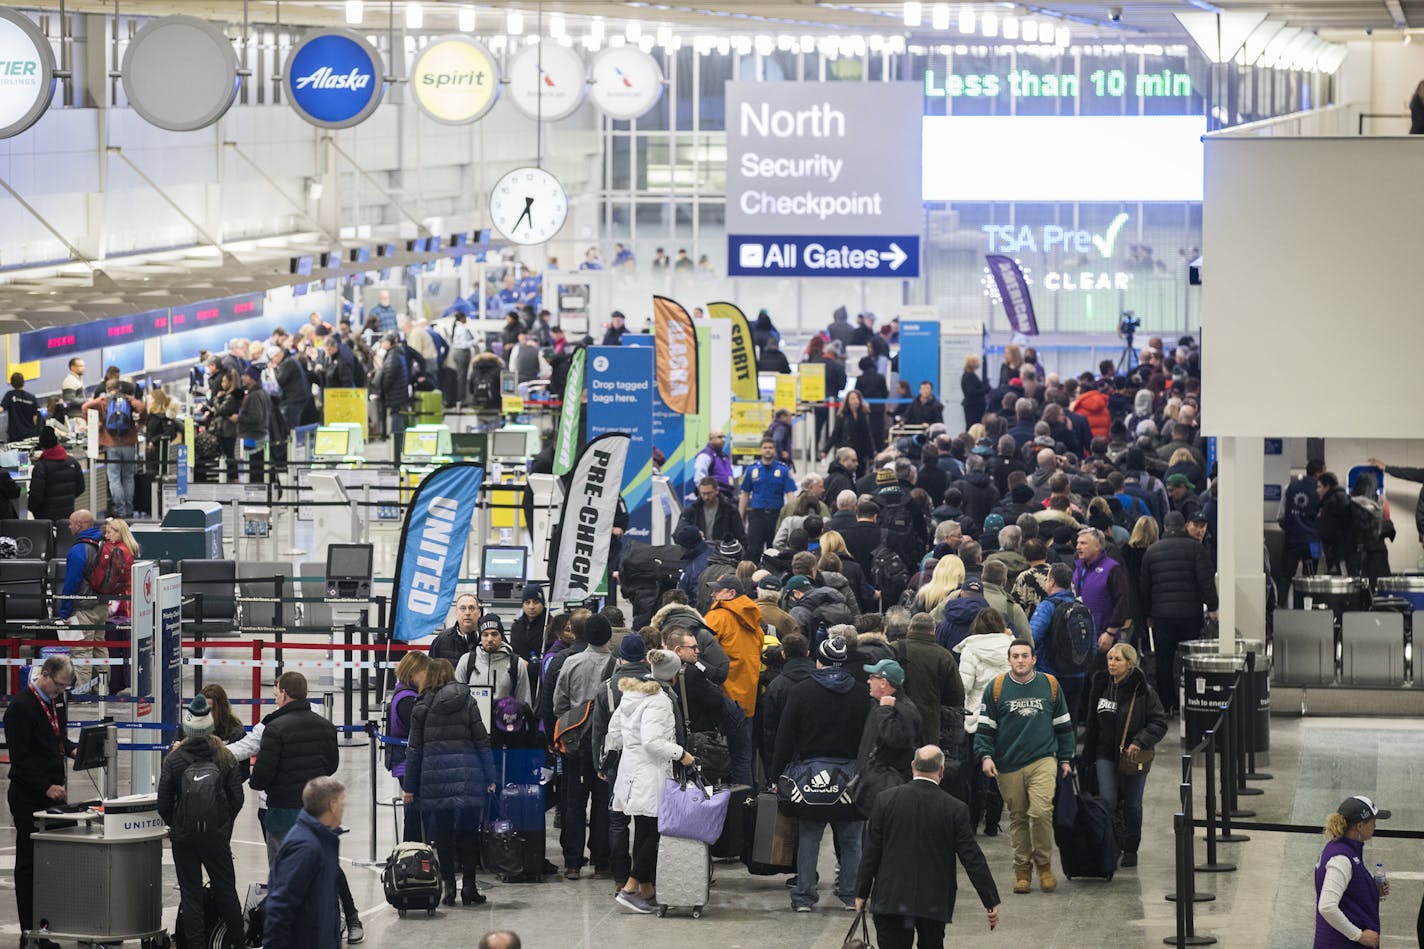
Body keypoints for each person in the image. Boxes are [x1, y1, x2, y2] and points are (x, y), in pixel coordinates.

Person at [856, 746, 1001, 948]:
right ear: (942, 771)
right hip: (934, 900)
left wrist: (861, 892)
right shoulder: (955, 809)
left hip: (892, 897)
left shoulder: (885, 800)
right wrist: (990, 899)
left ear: (913, 766)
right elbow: (972, 858)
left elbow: (871, 852)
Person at [771, 637, 873, 912]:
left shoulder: (802, 691)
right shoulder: (863, 694)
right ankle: (851, 895)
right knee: (852, 840)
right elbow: (871, 738)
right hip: (851, 779)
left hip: (810, 777)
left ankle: (804, 895)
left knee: (808, 838)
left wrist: (775, 775)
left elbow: (784, 736)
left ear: (819, 661)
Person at [974, 639, 1074, 895]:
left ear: (1033, 659)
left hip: (1043, 759)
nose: (1020, 660)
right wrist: (985, 756)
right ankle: (1022, 870)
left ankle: (1044, 866)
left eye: (1024, 656)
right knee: (1018, 817)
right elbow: (985, 728)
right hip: (1008, 763)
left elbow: (1063, 725)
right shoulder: (996, 688)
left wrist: (1065, 758)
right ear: (1009, 660)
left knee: (1041, 812)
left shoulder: (1049, 685)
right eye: (1015, 656)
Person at [606, 649, 696, 914]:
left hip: (631, 772)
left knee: (644, 829)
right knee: (655, 832)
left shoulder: (632, 694)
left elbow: (614, 732)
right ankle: (630, 888)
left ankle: (647, 889)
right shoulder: (659, 700)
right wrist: (682, 754)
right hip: (650, 773)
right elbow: (653, 742)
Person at [402, 657, 496, 906]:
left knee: (442, 835)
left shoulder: (421, 706)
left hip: (435, 779)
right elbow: (481, 741)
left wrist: (409, 786)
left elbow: (414, 751)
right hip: (468, 776)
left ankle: (449, 889)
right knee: (468, 833)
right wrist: (490, 777)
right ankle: (470, 887)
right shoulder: (468, 700)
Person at [158, 695, 246, 949]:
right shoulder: (225, 757)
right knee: (226, 890)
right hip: (216, 837)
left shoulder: (174, 760)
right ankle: (237, 942)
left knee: (191, 894)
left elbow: (163, 801)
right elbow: (237, 797)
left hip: (184, 837)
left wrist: (176, 824)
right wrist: (222, 824)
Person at [4, 655, 76, 939]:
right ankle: (29, 930)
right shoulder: (20, 708)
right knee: (29, 865)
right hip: (28, 797)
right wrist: (45, 786)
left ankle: (48, 924)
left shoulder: (54, 701)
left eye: (64, 689)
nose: (60, 692)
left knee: (52, 864)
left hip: (53, 795)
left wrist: (73, 750)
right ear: (45, 675)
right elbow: (19, 761)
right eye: (58, 686)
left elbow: (57, 739)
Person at [1081, 643, 1166, 867]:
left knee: (1132, 804)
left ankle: (1131, 846)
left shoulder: (1144, 691)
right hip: (1104, 754)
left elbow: (1159, 722)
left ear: (1129, 664)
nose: (1112, 663)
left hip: (1132, 756)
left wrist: (1140, 741)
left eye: (1117, 659)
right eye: (1109, 659)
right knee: (1107, 800)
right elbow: (1092, 722)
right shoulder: (1100, 685)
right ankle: (1111, 844)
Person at [250, 672, 340, 874]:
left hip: (283, 811)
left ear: (284, 693)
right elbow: (332, 765)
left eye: (276, 695)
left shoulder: (274, 729)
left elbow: (260, 777)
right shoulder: (326, 726)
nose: (276, 699)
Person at [552, 613, 617, 878]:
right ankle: (602, 861)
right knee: (603, 803)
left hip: (575, 745)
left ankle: (573, 862)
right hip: (607, 747)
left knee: (574, 803)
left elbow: (559, 704)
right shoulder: (617, 665)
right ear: (609, 636)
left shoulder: (571, 663)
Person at [1139, 512, 1218, 708]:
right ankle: (1190, 699)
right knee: (1189, 660)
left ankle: (1167, 704)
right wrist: (1213, 606)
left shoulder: (1152, 551)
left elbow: (1145, 587)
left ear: (1164, 527)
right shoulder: (1196, 549)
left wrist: (1147, 614)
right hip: (1190, 614)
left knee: (1163, 661)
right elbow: (1206, 581)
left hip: (1161, 616)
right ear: (1184, 526)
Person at [264, 777, 347, 949]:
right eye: (342, 801)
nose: (344, 806)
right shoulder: (305, 847)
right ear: (332, 805)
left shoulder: (324, 840)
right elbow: (280, 906)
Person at [1314, 796, 1391, 948]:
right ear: (1360, 826)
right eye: (1372, 821)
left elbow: (1348, 892)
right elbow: (1327, 906)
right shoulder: (1341, 858)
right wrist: (1359, 936)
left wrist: (1373, 891)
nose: (1375, 825)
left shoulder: (1345, 849)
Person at [58, 509, 108, 688]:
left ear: (79, 525)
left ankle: (82, 692)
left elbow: (71, 584)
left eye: (71, 523)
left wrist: (64, 611)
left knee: (81, 651)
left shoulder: (79, 550)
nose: (69, 526)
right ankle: (102, 688)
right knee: (99, 648)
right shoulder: (104, 542)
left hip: (83, 608)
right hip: (102, 606)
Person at [81, 379, 145, 518]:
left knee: (114, 477)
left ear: (107, 388)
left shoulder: (103, 401)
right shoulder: (127, 399)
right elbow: (142, 408)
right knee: (128, 476)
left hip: (111, 444)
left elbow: (85, 407)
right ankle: (129, 509)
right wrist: (140, 424)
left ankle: (120, 509)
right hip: (129, 442)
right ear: (120, 387)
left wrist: (95, 424)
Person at [385, 652, 430, 842]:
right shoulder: (407, 700)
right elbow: (421, 732)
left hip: (406, 762)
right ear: (414, 672)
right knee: (414, 814)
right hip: (407, 763)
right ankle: (412, 853)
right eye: (425, 672)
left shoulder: (403, 693)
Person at [455, 614, 534, 706]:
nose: (490, 639)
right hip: (473, 719)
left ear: (501, 636)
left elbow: (524, 703)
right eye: (485, 634)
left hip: (506, 719)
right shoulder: (466, 661)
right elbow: (458, 699)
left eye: (494, 634)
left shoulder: (517, 664)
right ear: (480, 637)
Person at [740, 437, 797, 562]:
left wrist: (790, 516)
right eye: (765, 448)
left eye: (770, 448)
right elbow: (744, 494)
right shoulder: (751, 470)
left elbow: (790, 495)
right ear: (760, 450)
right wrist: (740, 515)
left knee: (775, 549)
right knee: (753, 550)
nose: (768, 450)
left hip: (776, 516)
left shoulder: (783, 470)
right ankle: (752, 577)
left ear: (774, 450)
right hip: (757, 515)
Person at [27, 426, 84, 522]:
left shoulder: (41, 467)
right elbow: (81, 488)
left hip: (45, 516)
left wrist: (31, 508)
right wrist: (67, 499)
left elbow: (36, 495)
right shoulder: (73, 462)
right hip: (67, 513)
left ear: (42, 445)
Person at [678, 476, 746, 547]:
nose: (706, 497)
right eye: (703, 494)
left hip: (722, 551)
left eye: (709, 493)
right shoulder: (691, 510)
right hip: (698, 552)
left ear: (717, 490)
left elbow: (740, 536)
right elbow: (678, 533)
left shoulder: (730, 510)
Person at [236, 365, 274, 484]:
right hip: (260, 435)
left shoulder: (254, 396)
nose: (243, 378)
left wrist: (239, 418)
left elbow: (255, 418)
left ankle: (257, 491)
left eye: (246, 375)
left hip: (253, 437)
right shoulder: (262, 393)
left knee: (255, 468)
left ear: (253, 378)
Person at [826, 389, 875, 473]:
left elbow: (867, 435)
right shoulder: (842, 416)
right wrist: (826, 450)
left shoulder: (864, 415)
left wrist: (872, 453)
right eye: (852, 398)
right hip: (846, 449)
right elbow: (835, 434)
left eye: (857, 398)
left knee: (860, 473)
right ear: (847, 401)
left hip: (861, 451)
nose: (855, 401)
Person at [429, 592, 481, 665]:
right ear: (456, 612)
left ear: (479, 613)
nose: (467, 613)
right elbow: (432, 672)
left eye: (471, 608)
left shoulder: (489, 638)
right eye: (463, 608)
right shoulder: (441, 640)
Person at [509, 583, 548, 679]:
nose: (531, 606)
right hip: (520, 676)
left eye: (535, 602)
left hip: (542, 678)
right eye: (527, 602)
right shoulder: (516, 627)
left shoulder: (550, 625)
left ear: (543, 603)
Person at [691, 430, 734, 495]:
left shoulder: (724, 456)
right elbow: (699, 478)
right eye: (719, 437)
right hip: (714, 495)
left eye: (724, 437)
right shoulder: (705, 456)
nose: (723, 440)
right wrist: (706, 495)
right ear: (710, 439)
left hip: (727, 494)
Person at [1, 372, 40, 442]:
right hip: (30, 434)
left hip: (15, 435)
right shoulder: (32, 398)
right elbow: (35, 419)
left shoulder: (10, 395)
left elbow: (1, 409)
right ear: (23, 382)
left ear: (12, 383)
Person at [962, 354, 990, 428]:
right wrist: (986, 390)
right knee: (972, 426)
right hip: (973, 407)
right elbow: (971, 392)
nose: (979, 363)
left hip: (974, 406)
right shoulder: (969, 376)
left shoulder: (969, 375)